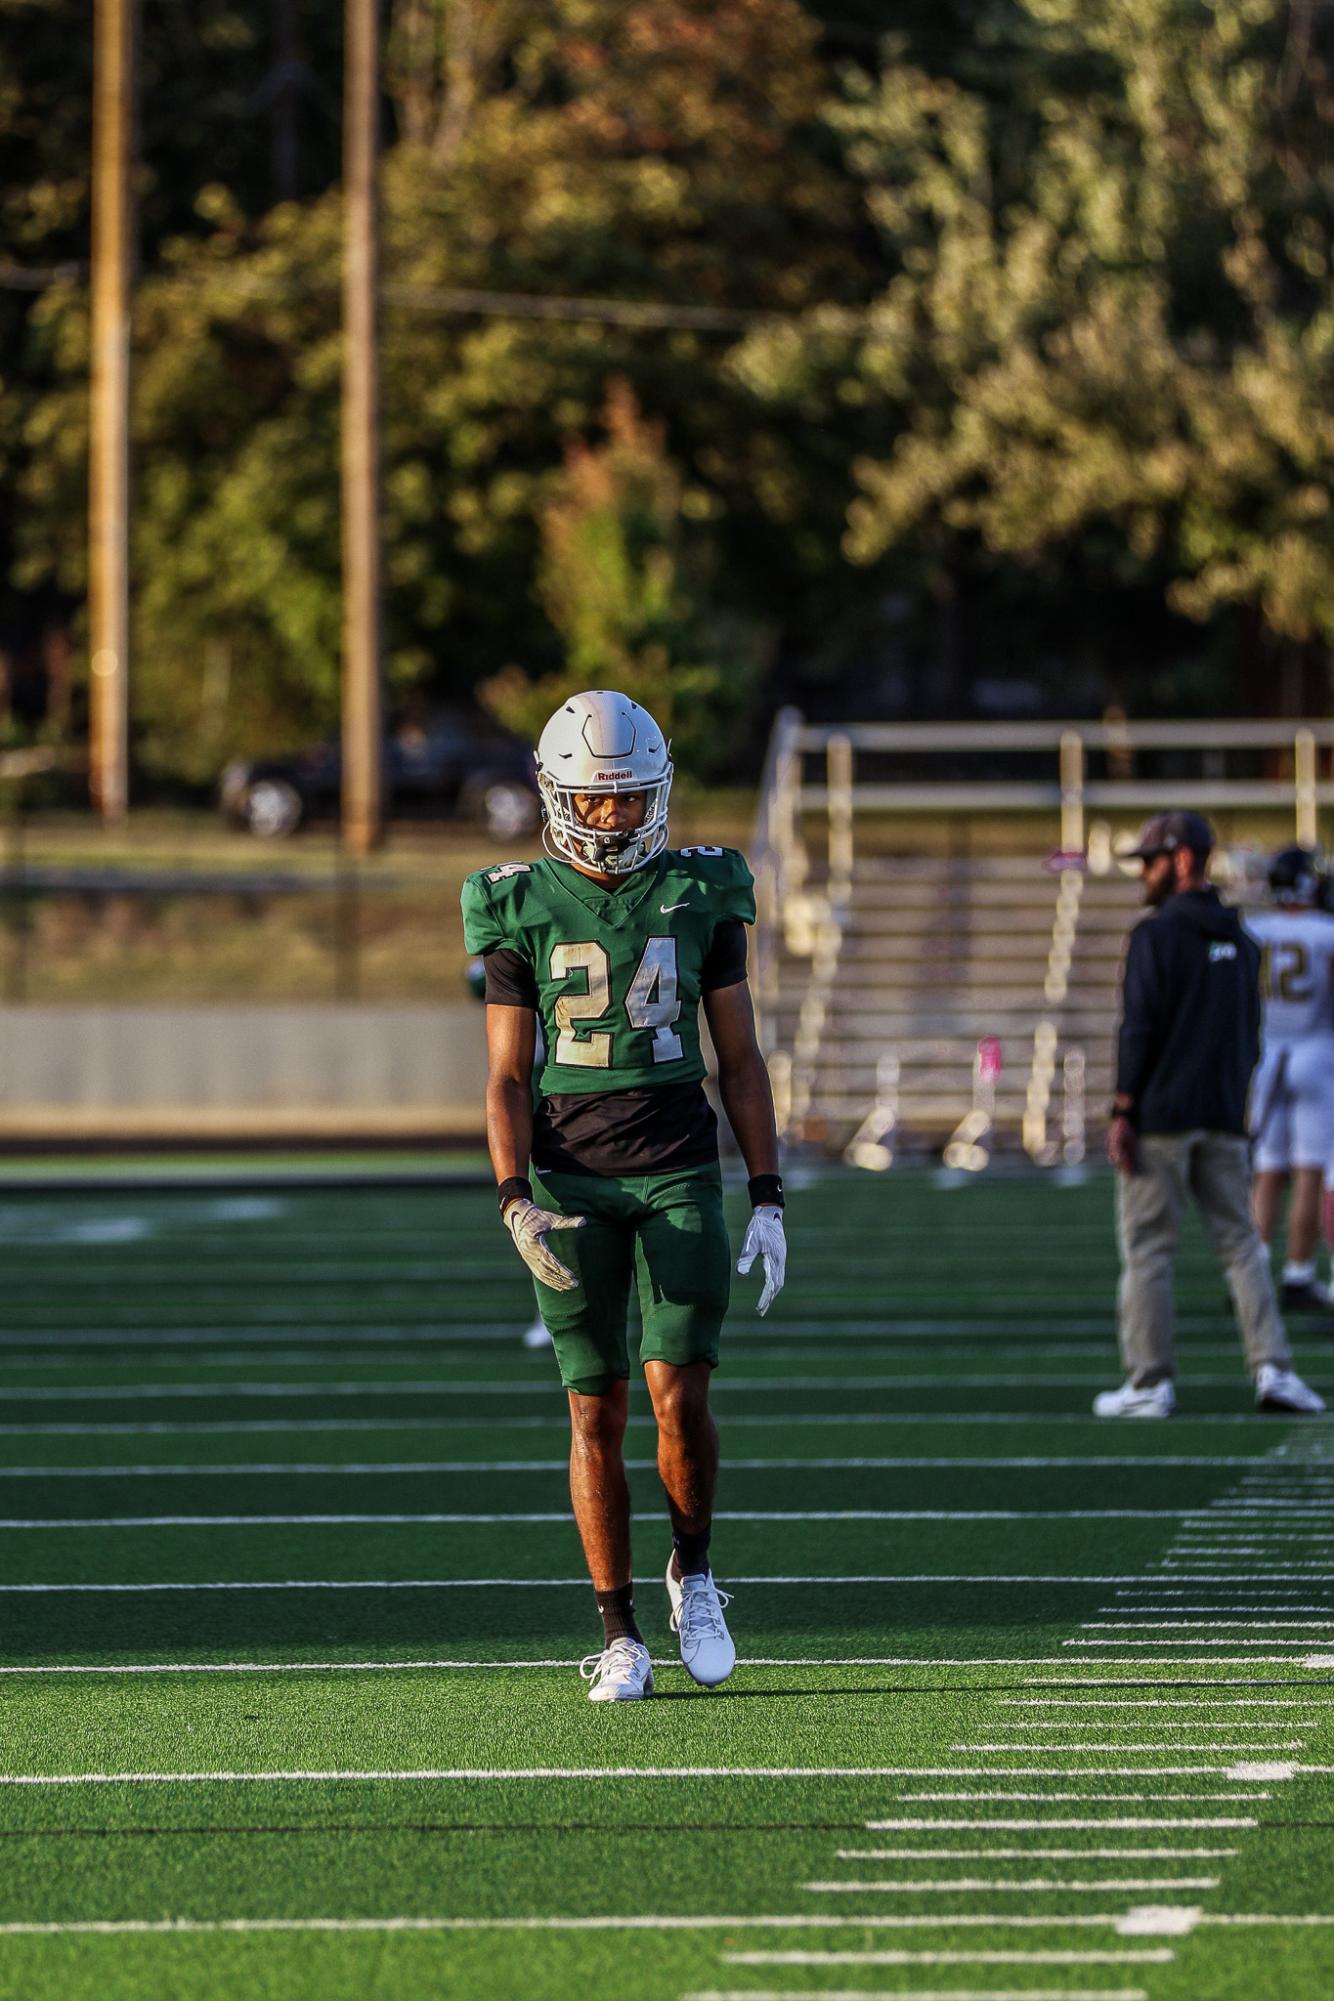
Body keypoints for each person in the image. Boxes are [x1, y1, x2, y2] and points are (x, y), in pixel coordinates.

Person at [461, 689, 787, 1702]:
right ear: (558, 798)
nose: (614, 819)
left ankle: (693, 1567)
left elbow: (738, 1059)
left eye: (630, 799)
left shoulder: (702, 890)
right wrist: (513, 1196)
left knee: (677, 1390)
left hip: (679, 1167)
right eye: (596, 802)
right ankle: (617, 1632)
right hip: (568, 1179)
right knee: (592, 1405)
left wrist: (768, 1192)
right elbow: (508, 1076)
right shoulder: (514, 901)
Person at [1097, 809, 1324, 1419]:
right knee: (1243, 1246)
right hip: (1224, 1115)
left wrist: (1124, 1106)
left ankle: (1149, 1381)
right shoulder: (1241, 938)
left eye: (1152, 861)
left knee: (1149, 1250)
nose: (1145, 873)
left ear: (1184, 859)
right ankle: (1273, 1368)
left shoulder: (1156, 935)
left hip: (1164, 1116)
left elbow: (1139, 1026)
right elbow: (1247, 1035)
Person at [1245, 847, 1334, 1312]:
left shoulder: (1254, 929)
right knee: (1309, 1171)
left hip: (1267, 1055)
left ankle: (1253, 1272)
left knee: (1267, 1170)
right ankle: (1298, 1272)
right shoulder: (1326, 932)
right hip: (1316, 1053)